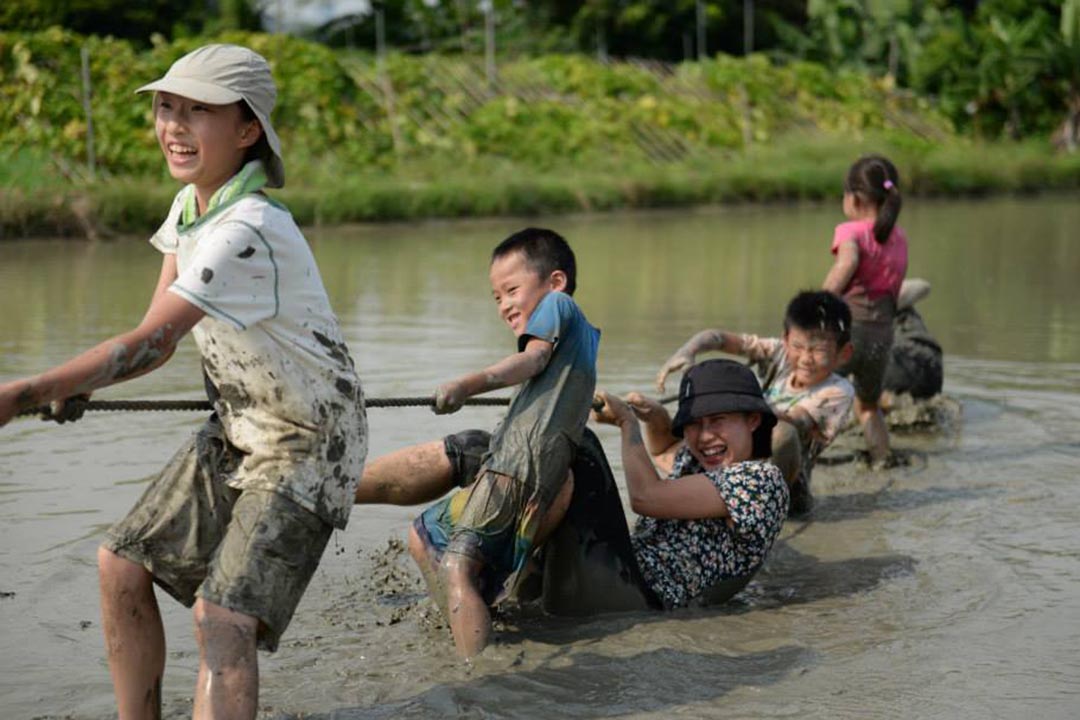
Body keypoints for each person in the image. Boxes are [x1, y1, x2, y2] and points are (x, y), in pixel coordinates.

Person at [0, 44, 367, 720]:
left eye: (199, 110)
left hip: (310, 442)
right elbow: (154, 342)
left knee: (221, 618)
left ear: (248, 128)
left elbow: (150, 341)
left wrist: (21, 393)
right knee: (120, 565)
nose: (174, 124)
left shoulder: (248, 226)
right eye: (167, 106)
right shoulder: (190, 210)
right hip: (240, 424)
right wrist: (74, 386)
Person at [359, 228, 599, 658]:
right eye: (496, 297)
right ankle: (470, 619)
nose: (504, 305)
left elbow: (531, 359)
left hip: (517, 472)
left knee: (456, 564)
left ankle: (475, 673)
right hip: (511, 469)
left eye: (512, 290)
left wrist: (466, 386)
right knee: (425, 533)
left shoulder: (559, 308)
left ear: (556, 283)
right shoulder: (577, 342)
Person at [550, 359, 789, 612]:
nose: (705, 436)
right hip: (623, 572)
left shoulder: (761, 482)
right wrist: (656, 418)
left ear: (752, 420)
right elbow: (664, 450)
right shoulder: (702, 463)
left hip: (642, 597)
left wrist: (627, 423)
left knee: (582, 448)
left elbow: (645, 497)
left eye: (718, 420)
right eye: (694, 423)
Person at [655, 291, 855, 516]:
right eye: (798, 347)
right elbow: (718, 337)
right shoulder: (779, 353)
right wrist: (688, 351)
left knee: (781, 432)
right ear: (786, 340)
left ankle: (760, 510)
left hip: (789, 485)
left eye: (819, 350)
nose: (806, 358)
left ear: (843, 353)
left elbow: (794, 419)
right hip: (743, 459)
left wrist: (731, 403)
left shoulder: (839, 390)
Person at [822, 154, 909, 466]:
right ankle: (882, 458)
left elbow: (846, 265)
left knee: (815, 397)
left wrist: (815, 306)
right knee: (869, 406)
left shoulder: (851, 231)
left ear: (854, 197)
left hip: (848, 333)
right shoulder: (899, 238)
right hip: (882, 335)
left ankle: (797, 465)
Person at [882, 278, 943, 405]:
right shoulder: (892, 296)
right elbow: (924, 286)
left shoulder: (858, 304)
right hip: (933, 363)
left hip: (899, 364)